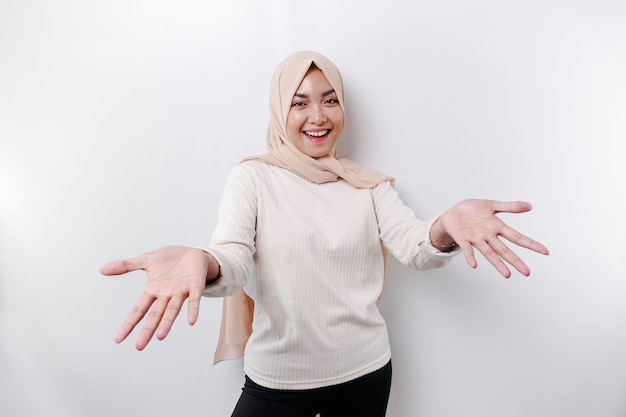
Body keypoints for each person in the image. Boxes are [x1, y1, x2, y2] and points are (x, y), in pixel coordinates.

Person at [100, 50, 549, 417]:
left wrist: (445, 227)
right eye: (300, 102)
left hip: (366, 373)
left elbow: (417, 247)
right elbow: (234, 262)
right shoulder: (254, 178)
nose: (318, 115)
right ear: (280, 109)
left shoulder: (367, 184)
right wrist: (205, 260)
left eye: (330, 100)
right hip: (277, 380)